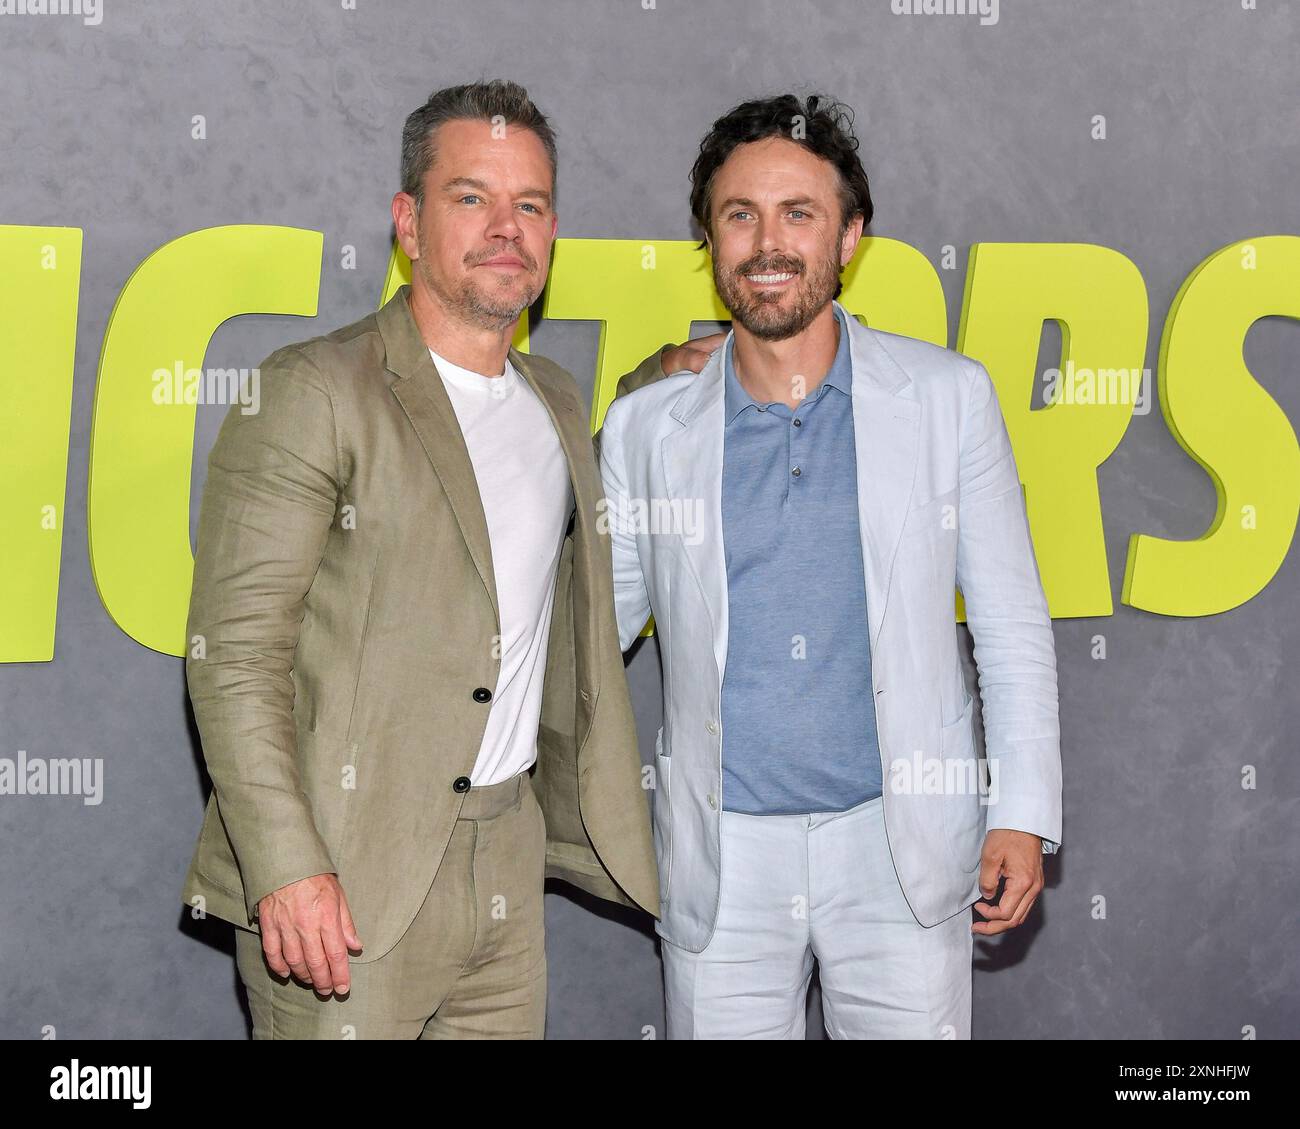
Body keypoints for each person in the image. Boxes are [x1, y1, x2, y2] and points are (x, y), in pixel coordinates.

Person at [181, 79, 660, 1039]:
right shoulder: (312, 390)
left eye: (529, 205)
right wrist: (287, 863)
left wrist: (695, 368)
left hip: (507, 866)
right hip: (345, 873)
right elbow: (232, 656)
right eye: (471, 197)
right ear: (407, 221)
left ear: (553, 232)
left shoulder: (559, 400)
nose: (505, 227)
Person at [598, 93, 1062, 1039]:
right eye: (740, 215)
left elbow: (1011, 623)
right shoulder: (647, 428)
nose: (768, 243)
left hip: (901, 849)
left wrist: (1021, 811)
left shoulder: (945, 398)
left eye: (798, 213)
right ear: (710, 237)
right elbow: (589, 635)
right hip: (719, 858)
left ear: (850, 237)